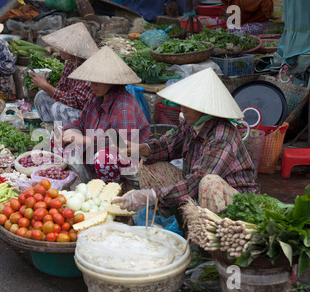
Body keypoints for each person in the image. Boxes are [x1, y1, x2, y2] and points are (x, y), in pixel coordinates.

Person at [112, 67, 260, 214]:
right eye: (183, 104)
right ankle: (175, 217)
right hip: (197, 188)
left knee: (209, 183)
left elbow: (197, 181)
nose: (183, 109)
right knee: (148, 165)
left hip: (234, 200)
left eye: (190, 105)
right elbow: (168, 146)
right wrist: (141, 148)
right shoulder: (192, 124)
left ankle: (207, 231)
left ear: (205, 108)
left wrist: (152, 195)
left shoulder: (222, 137)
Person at [53, 46, 151, 183]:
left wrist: (84, 140)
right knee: (57, 135)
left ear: (111, 81)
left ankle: (111, 189)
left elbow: (122, 146)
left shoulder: (123, 107)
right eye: (91, 80)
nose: (93, 85)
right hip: (96, 150)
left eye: (98, 81)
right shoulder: (96, 97)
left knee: (102, 157)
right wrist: (66, 132)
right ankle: (84, 181)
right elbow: (81, 122)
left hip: (126, 162)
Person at [30, 22, 98, 127]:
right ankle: (52, 133)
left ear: (72, 49)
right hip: (73, 110)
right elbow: (62, 88)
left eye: (62, 46)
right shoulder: (70, 63)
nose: (58, 49)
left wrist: (47, 87)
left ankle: (65, 139)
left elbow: (76, 101)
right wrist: (46, 87)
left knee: (58, 108)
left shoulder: (88, 67)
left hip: (89, 117)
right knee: (41, 96)